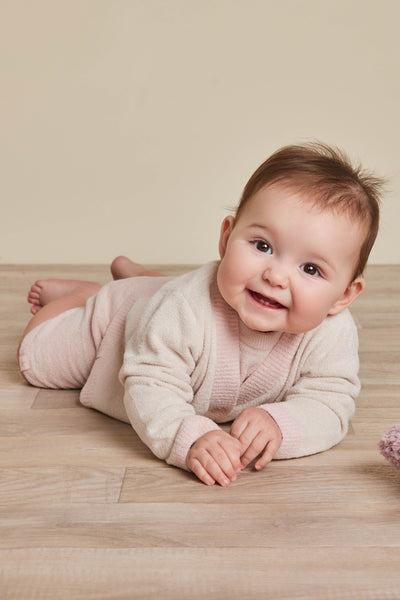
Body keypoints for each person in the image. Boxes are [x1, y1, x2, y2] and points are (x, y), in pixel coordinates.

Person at [18, 142, 383, 487]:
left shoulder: (332, 331)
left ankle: (144, 280)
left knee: (175, 296)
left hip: (162, 303)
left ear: (344, 296)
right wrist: (188, 435)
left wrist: (281, 422)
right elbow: (151, 384)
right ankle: (79, 296)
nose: (275, 276)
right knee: (36, 361)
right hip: (113, 325)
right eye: (262, 246)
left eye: (310, 269)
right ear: (226, 239)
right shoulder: (182, 308)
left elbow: (331, 404)